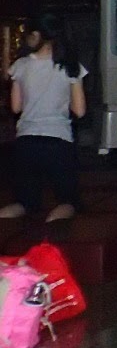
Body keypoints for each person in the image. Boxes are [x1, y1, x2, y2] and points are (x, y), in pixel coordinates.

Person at [1, 12, 86, 225]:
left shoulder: (20, 66)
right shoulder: (70, 66)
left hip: (26, 142)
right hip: (58, 141)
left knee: (24, 203)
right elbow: (80, 110)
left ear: (36, 35)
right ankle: (51, 230)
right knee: (68, 202)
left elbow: (16, 106)